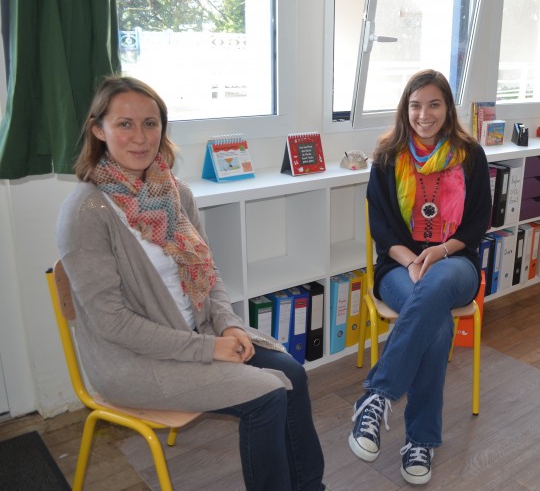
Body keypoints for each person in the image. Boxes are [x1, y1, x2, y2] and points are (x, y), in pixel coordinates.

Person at [56, 76, 325, 491]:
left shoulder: (173, 192)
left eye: (151, 123)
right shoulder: (86, 211)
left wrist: (229, 324)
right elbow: (113, 324)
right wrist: (208, 348)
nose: (140, 137)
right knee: (267, 397)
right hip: (132, 360)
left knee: (292, 371)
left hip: (198, 332)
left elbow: (208, 270)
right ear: (98, 130)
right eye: (124, 124)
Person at [348, 69, 491, 484]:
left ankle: (377, 395)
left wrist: (439, 252)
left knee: (438, 285)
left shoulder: (471, 155)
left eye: (433, 104)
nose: (423, 114)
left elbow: (477, 224)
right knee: (436, 319)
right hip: (398, 264)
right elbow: (382, 227)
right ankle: (420, 440)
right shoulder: (387, 156)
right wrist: (411, 260)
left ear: (447, 108)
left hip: (456, 261)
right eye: (415, 105)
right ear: (404, 109)